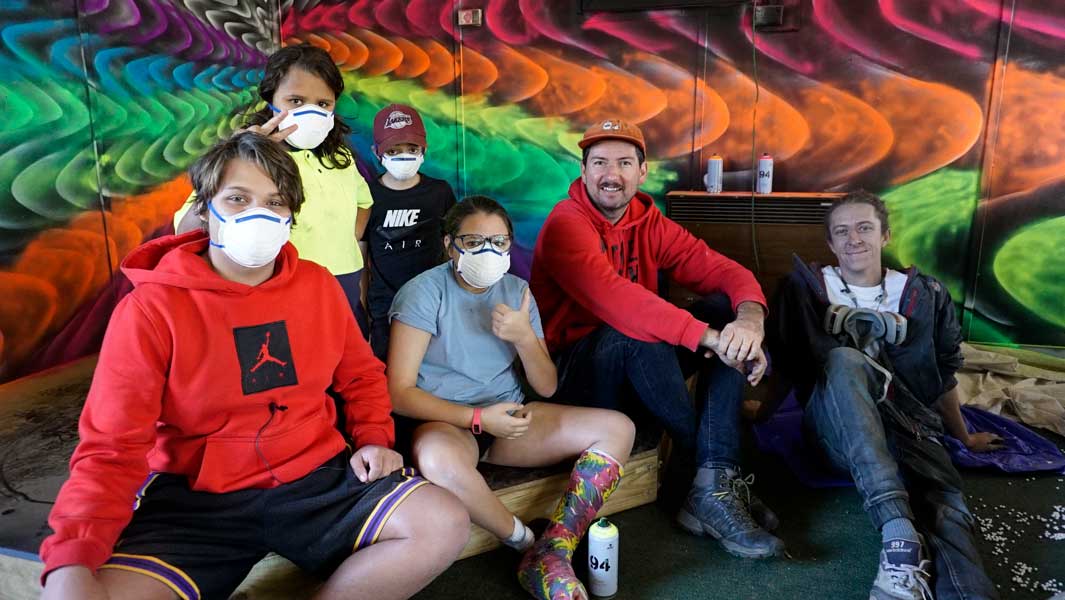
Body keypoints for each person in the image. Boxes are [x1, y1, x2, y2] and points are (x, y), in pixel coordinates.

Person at [39, 133, 468, 600]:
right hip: (198, 502)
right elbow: (111, 446)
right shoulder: (150, 311)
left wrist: (373, 439)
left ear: (291, 216)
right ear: (205, 209)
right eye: (238, 198)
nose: (258, 214)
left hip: (318, 479)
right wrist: (72, 557)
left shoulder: (318, 287)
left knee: (442, 522)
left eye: (276, 202)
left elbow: (361, 375)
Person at [530, 118, 784, 559]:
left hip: (639, 361)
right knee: (636, 330)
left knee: (725, 312)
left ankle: (713, 481)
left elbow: (722, 270)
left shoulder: (649, 221)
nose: (613, 174)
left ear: (642, 171)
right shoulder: (565, 223)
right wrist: (709, 339)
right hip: (574, 379)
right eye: (601, 162)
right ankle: (704, 471)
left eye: (625, 162)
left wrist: (749, 322)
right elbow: (618, 301)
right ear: (584, 169)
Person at [387, 196, 635, 600]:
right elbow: (399, 392)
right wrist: (479, 419)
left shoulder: (517, 291)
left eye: (499, 242)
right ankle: (524, 543)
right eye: (473, 241)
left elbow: (547, 386)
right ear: (450, 244)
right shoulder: (423, 293)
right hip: (448, 423)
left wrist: (523, 337)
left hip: (512, 419)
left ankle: (557, 545)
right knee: (437, 459)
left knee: (618, 427)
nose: (488, 251)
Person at [770, 190, 999, 600]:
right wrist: (763, 410)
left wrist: (962, 435)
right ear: (830, 243)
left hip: (907, 428)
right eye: (841, 231)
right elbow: (787, 363)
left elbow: (942, 372)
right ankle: (898, 536)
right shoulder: (806, 289)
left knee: (944, 507)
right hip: (836, 432)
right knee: (843, 359)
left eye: (864, 228)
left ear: (885, 236)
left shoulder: (925, 293)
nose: (852, 239)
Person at [175, 43, 373, 334]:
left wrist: (341, 242)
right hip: (282, 283)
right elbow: (186, 229)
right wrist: (237, 154)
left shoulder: (340, 157)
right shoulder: (249, 159)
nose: (311, 113)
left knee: (345, 357)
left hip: (344, 278)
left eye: (323, 104)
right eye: (295, 101)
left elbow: (363, 202)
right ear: (271, 101)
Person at [364, 103, 456, 361]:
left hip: (435, 303)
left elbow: (453, 248)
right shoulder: (368, 195)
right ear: (377, 152)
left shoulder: (440, 192)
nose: (403, 156)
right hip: (386, 307)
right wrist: (363, 310)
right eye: (393, 150)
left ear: (423, 149)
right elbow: (360, 253)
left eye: (411, 149)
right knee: (390, 376)